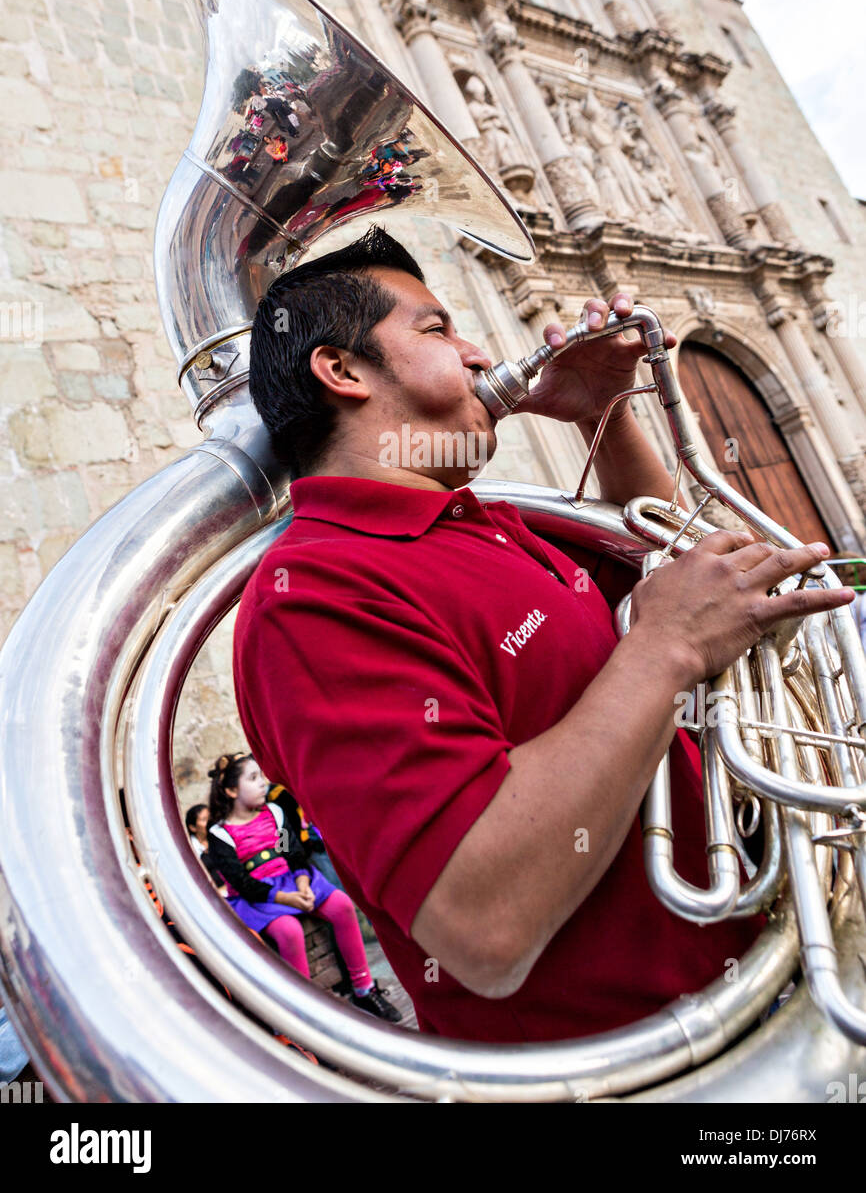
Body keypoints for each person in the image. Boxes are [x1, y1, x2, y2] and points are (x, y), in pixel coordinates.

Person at [232, 224, 855, 1044]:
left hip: (761, 991)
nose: (480, 352)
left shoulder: (488, 523)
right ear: (342, 370)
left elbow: (682, 573)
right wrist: (666, 649)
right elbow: (482, 923)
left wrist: (607, 417)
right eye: (436, 329)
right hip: (632, 1066)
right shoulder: (309, 596)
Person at [206, 752, 401, 1022]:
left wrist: (302, 882)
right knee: (289, 932)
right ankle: (309, 1014)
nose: (263, 783)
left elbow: (292, 853)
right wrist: (287, 899)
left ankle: (363, 988)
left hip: (291, 882)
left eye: (261, 776)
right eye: (253, 778)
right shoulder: (220, 834)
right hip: (260, 896)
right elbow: (240, 880)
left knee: (342, 905)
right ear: (230, 790)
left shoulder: (274, 813)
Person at [185, 803, 228, 895]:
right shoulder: (191, 850)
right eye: (204, 820)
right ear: (193, 827)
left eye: (210, 817)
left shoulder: (220, 834)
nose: (210, 821)